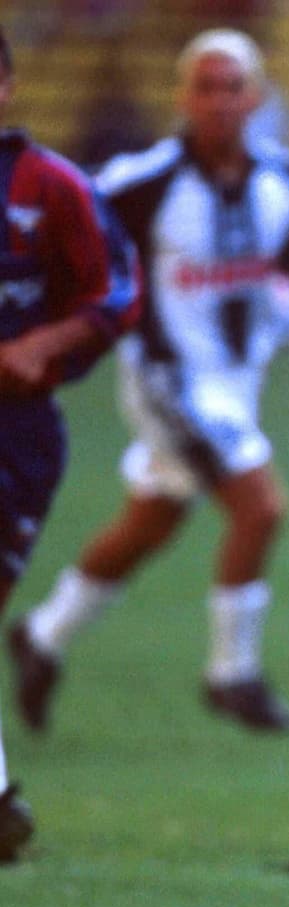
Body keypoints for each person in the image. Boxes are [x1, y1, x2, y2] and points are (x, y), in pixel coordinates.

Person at [7, 28, 289, 733]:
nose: (219, 101)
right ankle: (231, 673)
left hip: (238, 381)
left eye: (232, 87)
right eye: (205, 87)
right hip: (168, 380)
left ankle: (43, 636)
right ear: (182, 96)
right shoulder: (140, 183)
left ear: (256, 96)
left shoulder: (284, 182)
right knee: (261, 506)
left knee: (152, 518)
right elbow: (76, 245)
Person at [0, 24, 142, 862]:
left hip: (15, 432)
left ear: (8, 85)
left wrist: (42, 345)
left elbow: (115, 291)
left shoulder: (49, 186)